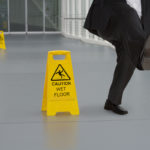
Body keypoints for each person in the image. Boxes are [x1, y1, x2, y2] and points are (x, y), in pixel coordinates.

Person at [83, 0, 150, 115]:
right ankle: (142, 53)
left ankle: (112, 101)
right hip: (110, 22)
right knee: (129, 14)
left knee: (128, 57)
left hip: (133, 33)